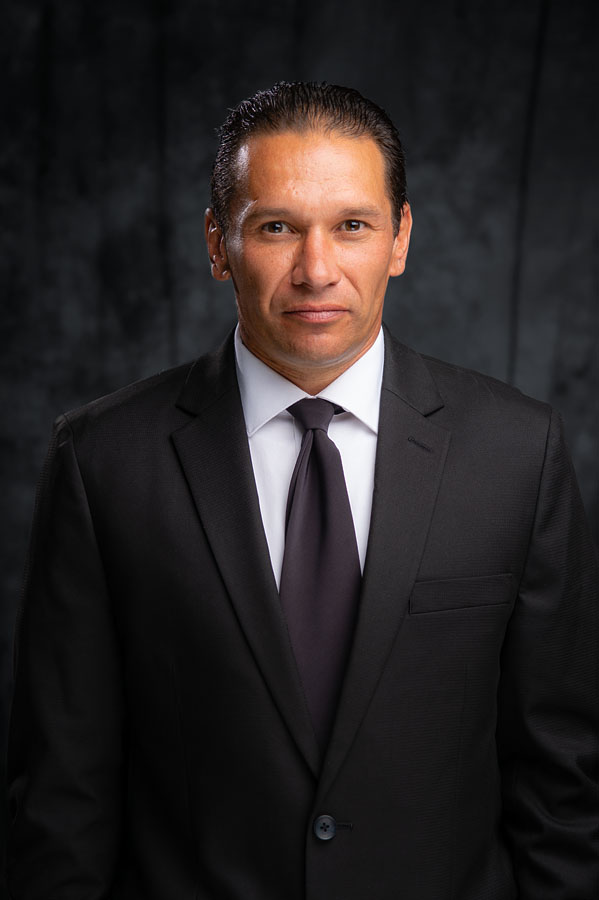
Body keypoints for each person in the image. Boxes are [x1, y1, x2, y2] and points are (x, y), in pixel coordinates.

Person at [7, 81, 598, 900]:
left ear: (399, 238)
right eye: (276, 227)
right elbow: (60, 798)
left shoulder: (516, 451)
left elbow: (561, 787)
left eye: (351, 225)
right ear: (218, 244)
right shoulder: (102, 460)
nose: (316, 271)